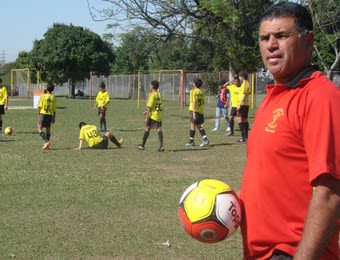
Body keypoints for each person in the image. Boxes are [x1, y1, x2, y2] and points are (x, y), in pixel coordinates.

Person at [239, 2, 340, 260]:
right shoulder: (274, 96)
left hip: (291, 252)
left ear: (308, 40)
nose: (271, 44)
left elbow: (330, 192)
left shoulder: (320, 96)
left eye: (282, 36)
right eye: (264, 38)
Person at [137, 80, 164, 152]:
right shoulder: (159, 94)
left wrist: (146, 117)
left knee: (147, 128)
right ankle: (161, 146)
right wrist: (148, 111)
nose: (149, 86)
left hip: (152, 115)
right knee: (158, 129)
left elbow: (149, 107)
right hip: (158, 114)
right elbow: (156, 105)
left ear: (152, 86)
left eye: (150, 85)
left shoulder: (152, 95)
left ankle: (142, 145)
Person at [185, 77, 209, 147]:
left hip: (194, 111)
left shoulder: (193, 91)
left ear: (195, 84)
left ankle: (203, 140)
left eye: (193, 82)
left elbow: (194, 101)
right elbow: (203, 102)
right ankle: (193, 141)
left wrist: (194, 112)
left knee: (194, 125)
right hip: (200, 111)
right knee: (198, 126)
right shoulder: (201, 92)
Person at [37, 85, 56, 150]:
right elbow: (54, 109)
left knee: (39, 129)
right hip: (50, 115)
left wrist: (38, 114)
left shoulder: (43, 96)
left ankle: (46, 142)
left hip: (43, 114)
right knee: (48, 129)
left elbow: (39, 106)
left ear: (46, 89)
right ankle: (47, 145)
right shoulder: (53, 97)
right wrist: (54, 118)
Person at [236, 71, 251, 142]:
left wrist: (239, 104)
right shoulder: (247, 83)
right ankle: (246, 136)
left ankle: (242, 136)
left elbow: (244, 94)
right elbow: (249, 93)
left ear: (242, 76)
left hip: (243, 104)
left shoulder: (245, 84)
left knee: (239, 119)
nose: (239, 78)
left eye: (239, 76)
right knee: (244, 119)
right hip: (245, 104)